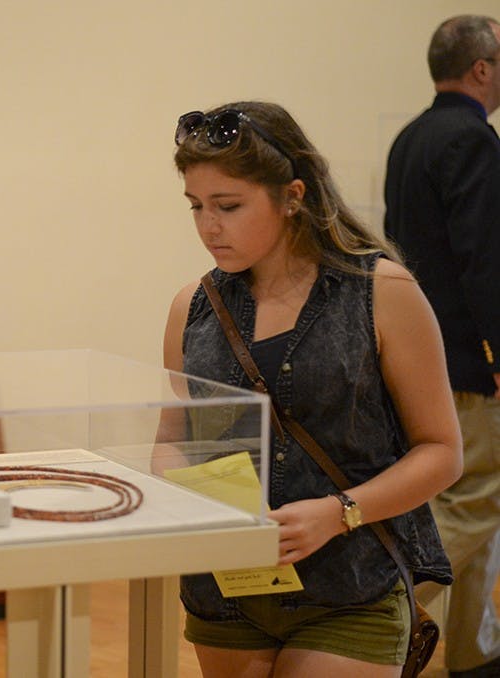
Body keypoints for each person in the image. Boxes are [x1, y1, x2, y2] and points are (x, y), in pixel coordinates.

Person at [163, 101, 462, 676]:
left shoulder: (383, 292)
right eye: (196, 206)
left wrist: (339, 512)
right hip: (226, 591)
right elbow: (174, 439)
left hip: (350, 586)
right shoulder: (192, 307)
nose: (209, 226)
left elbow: (442, 452)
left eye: (228, 206)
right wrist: (196, 499)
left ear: (292, 196)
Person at [383, 14, 500, 678]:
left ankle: (478, 649)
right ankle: (370, 616)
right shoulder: (473, 140)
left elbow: (402, 242)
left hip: (424, 353)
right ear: (481, 69)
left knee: (466, 500)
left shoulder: (411, 137)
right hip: (469, 360)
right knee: (479, 499)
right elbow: (485, 261)